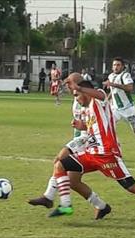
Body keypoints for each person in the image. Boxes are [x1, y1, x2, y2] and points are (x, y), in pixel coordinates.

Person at [44, 76, 135, 227]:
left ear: (85, 92)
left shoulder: (98, 100)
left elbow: (100, 94)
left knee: (131, 186)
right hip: (92, 154)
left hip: (108, 155)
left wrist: (79, 88)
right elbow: (95, 129)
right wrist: (82, 126)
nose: (76, 99)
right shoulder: (88, 111)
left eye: (77, 95)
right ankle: (66, 205)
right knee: (60, 165)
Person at [29, 73, 112, 220]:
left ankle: (50, 198)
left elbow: (98, 121)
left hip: (92, 140)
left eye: (69, 83)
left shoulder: (92, 95)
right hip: (83, 138)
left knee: (61, 161)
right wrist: (81, 125)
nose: (67, 86)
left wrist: (84, 126)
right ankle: (102, 206)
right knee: (72, 180)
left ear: (78, 84)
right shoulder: (76, 100)